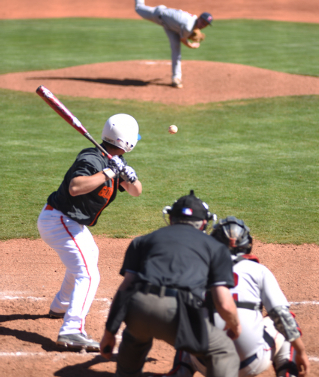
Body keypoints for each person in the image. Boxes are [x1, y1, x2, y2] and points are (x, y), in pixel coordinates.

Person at [100, 190, 241, 377]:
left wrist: (109, 333)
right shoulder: (215, 247)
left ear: (171, 218)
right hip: (176, 312)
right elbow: (223, 303)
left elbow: (125, 289)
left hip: (138, 306)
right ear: (204, 223)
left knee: (135, 336)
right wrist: (236, 326)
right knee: (223, 351)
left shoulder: (143, 241)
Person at [37, 113, 142, 352]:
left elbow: (136, 192)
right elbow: (75, 188)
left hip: (67, 221)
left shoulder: (115, 161)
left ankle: (61, 305)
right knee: (89, 274)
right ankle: (72, 330)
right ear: (128, 141)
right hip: (59, 220)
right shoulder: (93, 159)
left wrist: (129, 176)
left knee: (89, 256)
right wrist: (109, 173)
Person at [166, 216, 309, 377]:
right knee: (284, 321)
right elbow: (281, 315)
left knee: (191, 323)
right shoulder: (258, 270)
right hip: (250, 362)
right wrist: (301, 351)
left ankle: (180, 372)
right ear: (247, 244)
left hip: (206, 364)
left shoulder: (197, 269)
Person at [127, 0, 213, 89]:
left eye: (206, 24)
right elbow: (183, 39)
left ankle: (176, 78)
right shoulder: (188, 26)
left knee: (176, 49)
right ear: (200, 18)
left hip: (171, 27)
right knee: (139, 8)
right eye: (203, 22)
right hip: (158, 15)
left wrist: (191, 34)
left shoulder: (193, 20)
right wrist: (192, 46)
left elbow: (186, 32)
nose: (203, 25)